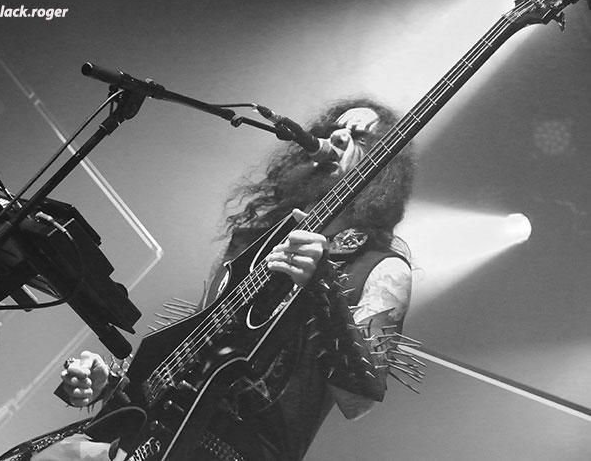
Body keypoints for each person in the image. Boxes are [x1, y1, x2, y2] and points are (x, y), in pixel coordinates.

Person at [28, 97, 418, 461]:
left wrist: (322, 285)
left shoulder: (383, 269)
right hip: (147, 440)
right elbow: (191, 356)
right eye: (335, 129)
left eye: (359, 137)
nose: (338, 138)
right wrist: (111, 382)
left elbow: (358, 402)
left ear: (384, 168)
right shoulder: (251, 245)